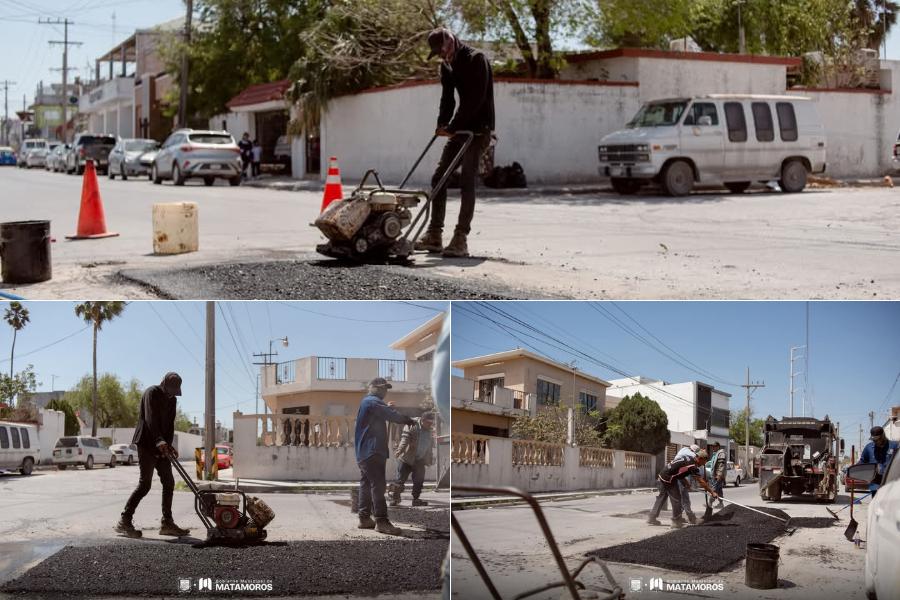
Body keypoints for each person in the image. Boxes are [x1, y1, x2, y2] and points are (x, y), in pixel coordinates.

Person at [415, 27, 495, 259]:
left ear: (450, 42)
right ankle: (434, 234)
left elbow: (476, 100)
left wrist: (453, 126)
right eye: (438, 54)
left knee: (467, 180)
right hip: (460, 129)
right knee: (439, 178)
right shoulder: (447, 66)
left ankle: (461, 238)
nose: (442, 57)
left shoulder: (476, 59)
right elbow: (448, 98)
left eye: (442, 51)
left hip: (479, 129)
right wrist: (442, 124)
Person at [115, 372, 191, 538]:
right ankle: (124, 521)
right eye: (170, 390)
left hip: (161, 444)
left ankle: (167, 523)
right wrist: (159, 441)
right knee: (145, 484)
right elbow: (150, 419)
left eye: (174, 391)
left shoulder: (172, 400)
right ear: (163, 383)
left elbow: (169, 425)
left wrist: (168, 445)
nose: (171, 394)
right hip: (147, 443)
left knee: (169, 482)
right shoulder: (152, 393)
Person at [355, 377, 415, 535]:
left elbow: (382, 413)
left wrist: (386, 409)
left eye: (386, 388)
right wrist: (407, 419)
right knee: (378, 485)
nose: (385, 391)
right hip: (373, 451)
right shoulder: (372, 401)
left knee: (366, 485)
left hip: (364, 452)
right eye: (381, 388)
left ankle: (364, 518)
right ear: (372, 388)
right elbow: (392, 415)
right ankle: (382, 521)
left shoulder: (368, 403)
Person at [647, 449, 719, 528]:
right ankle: (676, 521)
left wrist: (686, 482)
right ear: (700, 458)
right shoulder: (692, 466)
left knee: (662, 497)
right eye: (704, 462)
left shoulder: (688, 458)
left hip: (663, 474)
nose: (703, 464)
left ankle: (652, 517)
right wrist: (712, 492)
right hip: (669, 478)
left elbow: (678, 471)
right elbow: (701, 481)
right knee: (677, 499)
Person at [389, 411, 435, 507]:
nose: (430, 425)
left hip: (419, 460)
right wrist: (399, 451)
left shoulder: (430, 430)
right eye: (428, 422)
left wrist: (429, 458)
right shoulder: (412, 425)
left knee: (419, 481)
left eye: (431, 423)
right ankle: (394, 499)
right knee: (400, 480)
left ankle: (416, 499)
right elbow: (404, 439)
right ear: (422, 421)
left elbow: (429, 446)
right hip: (406, 458)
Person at [858, 426, 899, 497]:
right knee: (876, 506)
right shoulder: (869, 448)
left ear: (883, 436)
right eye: (873, 440)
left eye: (877, 439)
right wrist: (854, 470)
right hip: (875, 485)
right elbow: (862, 463)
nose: (875, 442)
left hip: (892, 484)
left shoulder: (895, 446)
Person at [673, 444, 701, 524]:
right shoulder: (691, 454)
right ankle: (691, 518)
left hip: (676, 475)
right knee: (685, 498)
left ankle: (678, 518)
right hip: (678, 476)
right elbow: (696, 460)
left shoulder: (684, 449)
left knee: (681, 498)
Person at [708, 443, 727, 508]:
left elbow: (721, 465)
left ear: (718, 447)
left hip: (717, 476)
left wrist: (719, 475)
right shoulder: (715, 454)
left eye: (714, 447)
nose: (713, 448)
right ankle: (721, 503)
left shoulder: (721, 453)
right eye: (712, 447)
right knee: (719, 490)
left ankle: (709, 503)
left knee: (714, 489)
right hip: (715, 475)